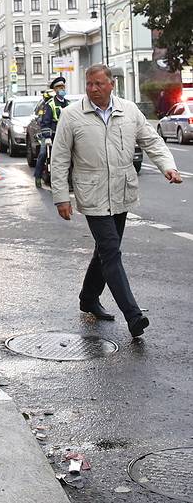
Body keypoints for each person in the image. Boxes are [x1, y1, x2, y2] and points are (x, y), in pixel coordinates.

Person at [50, 64, 182, 337]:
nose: (93, 88)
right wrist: (61, 197)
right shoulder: (72, 115)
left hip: (122, 191)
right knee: (111, 251)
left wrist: (167, 166)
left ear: (112, 84)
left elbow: (151, 141)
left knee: (104, 251)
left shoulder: (129, 110)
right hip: (92, 193)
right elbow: (60, 159)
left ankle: (88, 298)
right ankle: (133, 316)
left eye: (99, 83)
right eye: (89, 84)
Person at [33, 77, 70, 188]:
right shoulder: (50, 104)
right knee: (43, 153)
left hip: (65, 135)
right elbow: (45, 122)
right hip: (51, 135)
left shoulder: (68, 104)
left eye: (63, 87)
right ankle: (38, 176)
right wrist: (47, 137)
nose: (62, 89)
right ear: (55, 90)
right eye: (59, 87)